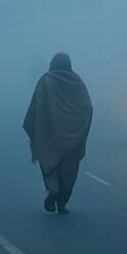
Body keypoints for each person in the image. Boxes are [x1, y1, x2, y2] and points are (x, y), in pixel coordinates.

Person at [23, 52, 94, 215]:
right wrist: (79, 128)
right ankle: (62, 203)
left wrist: (36, 131)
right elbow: (87, 108)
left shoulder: (45, 81)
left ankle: (52, 189)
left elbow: (35, 108)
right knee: (69, 171)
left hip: (49, 135)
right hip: (74, 138)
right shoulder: (77, 82)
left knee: (49, 165)